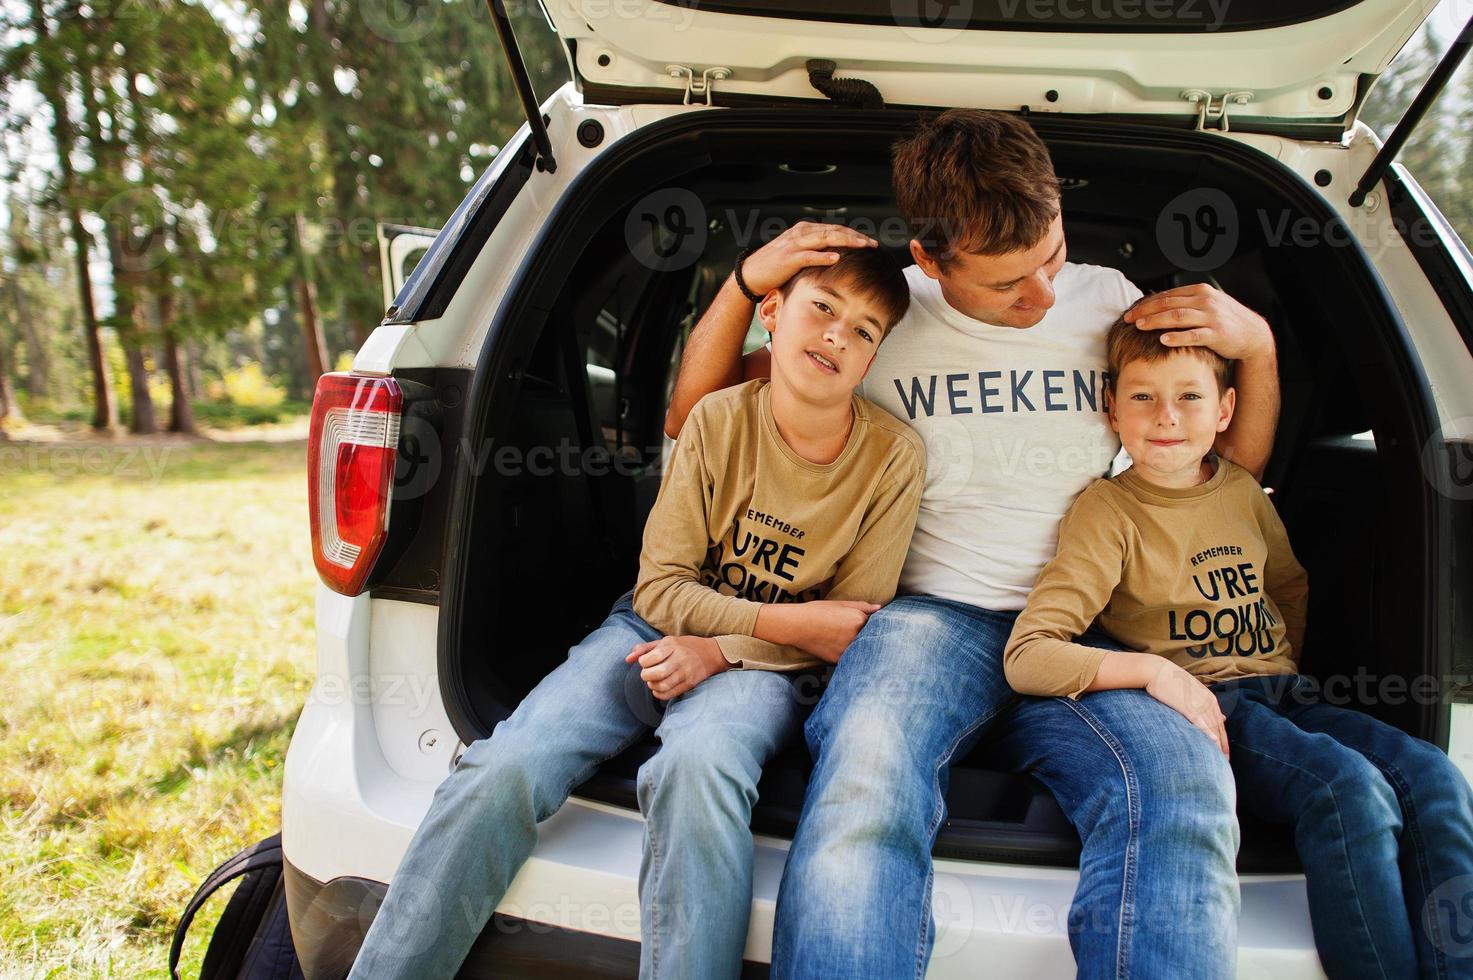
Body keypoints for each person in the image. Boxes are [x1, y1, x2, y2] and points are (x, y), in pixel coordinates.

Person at [664, 108, 1283, 978]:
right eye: (1005, 285)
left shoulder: (1109, 301)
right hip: (928, 623)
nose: (1039, 296)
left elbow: (1228, 468)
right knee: (865, 782)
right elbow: (698, 418)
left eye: (1050, 258)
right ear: (929, 260)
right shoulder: (877, 319)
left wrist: (1254, 346)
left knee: (1183, 788)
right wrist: (738, 286)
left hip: (1084, 632)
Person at [346, 246, 925, 980]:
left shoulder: (892, 457)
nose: (840, 335)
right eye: (824, 308)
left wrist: (722, 651)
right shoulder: (717, 421)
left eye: (866, 330)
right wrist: (758, 626)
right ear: (771, 316)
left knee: (695, 764)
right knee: (504, 764)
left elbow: (845, 629)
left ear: (874, 357)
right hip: (659, 629)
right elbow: (661, 591)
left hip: (765, 669)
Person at [1005, 314, 1473, 979]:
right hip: (1215, 711)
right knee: (1347, 791)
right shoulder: (1108, 511)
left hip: (1288, 694)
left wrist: (1283, 665)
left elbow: (1286, 586)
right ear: (1110, 409)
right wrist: (1148, 673)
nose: (1166, 415)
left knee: (1433, 777)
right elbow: (1030, 654)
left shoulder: (1242, 491)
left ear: (1225, 408)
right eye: (1141, 395)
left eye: (1190, 396)